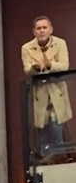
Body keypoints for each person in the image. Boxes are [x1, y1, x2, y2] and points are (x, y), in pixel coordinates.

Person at [21, 16, 71, 152]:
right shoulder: (27, 48)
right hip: (40, 95)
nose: (42, 31)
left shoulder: (60, 43)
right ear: (34, 32)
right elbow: (27, 69)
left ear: (51, 30)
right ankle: (47, 164)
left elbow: (64, 65)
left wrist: (50, 65)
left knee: (56, 130)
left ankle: (58, 162)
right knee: (42, 136)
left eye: (44, 28)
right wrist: (35, 68)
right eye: (39, 28)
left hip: (56, 93)